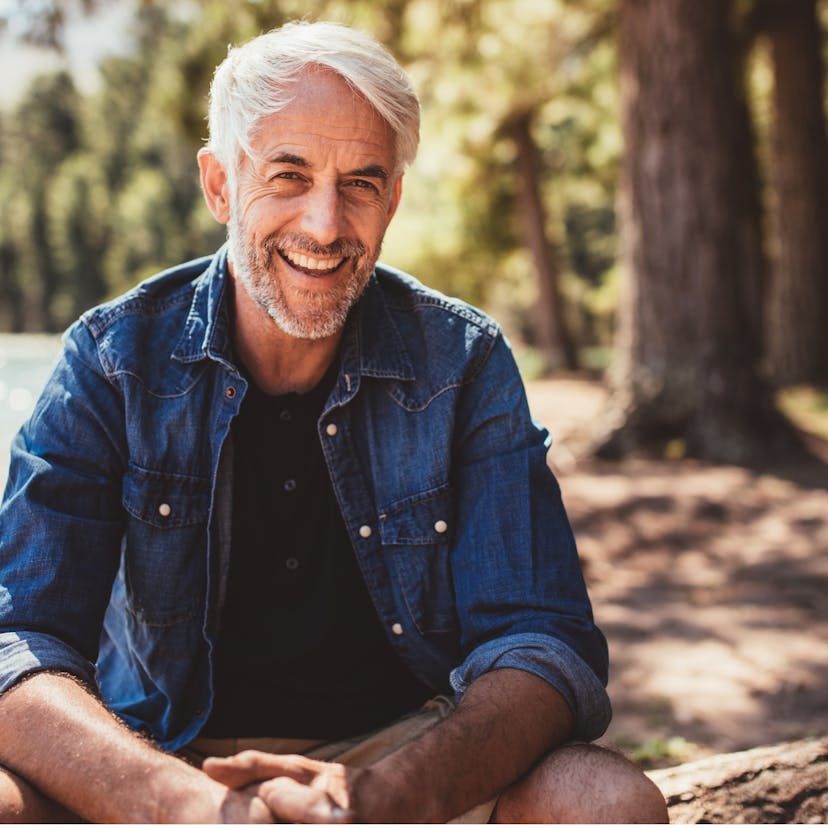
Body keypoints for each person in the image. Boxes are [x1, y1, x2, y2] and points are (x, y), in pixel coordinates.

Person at [0, 20, 667, 824]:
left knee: (602, 801)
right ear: (219, 185)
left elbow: (542, 643)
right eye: (288, 175)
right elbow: (18, 639)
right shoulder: (113, 360)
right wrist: (183, 806)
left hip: (405, 758)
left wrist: (375, 799)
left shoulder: (464, 362)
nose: (324, 224)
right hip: (161, 757)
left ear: (392, 198)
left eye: (361, 182)